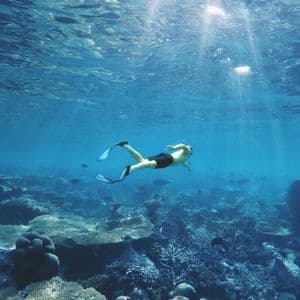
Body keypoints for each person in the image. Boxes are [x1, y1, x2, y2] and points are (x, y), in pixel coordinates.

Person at [96, 141, 192, 184]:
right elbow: (183, 146)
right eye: (189, 149)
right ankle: (131, 170)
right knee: (150, 165)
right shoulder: (186, 152)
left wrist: (187, 167)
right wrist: (174, 148)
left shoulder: (185, 159)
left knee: (141, 161)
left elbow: (183, 163)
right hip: (168, 160)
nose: (189, 150)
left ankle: (125, 145)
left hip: (166, 157)